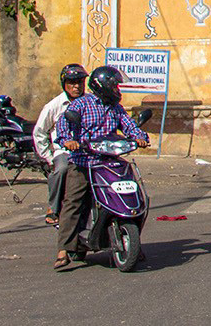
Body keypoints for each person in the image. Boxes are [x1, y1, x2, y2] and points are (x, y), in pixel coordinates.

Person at [52, 64, 149, 271]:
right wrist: (68, 140)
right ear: (103, 86)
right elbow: (63, 124)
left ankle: (132, 241)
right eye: (114, 86)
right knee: (74, 201)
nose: (117, 90)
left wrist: (140, 137)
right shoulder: (81, 105)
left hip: (109, 160)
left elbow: (129, 125)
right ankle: (63, 250)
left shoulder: (115, 108)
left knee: (136, 193)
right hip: (84, 161)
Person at [33, 63, 87, 226]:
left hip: (89, 150)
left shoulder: (91, 102)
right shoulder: (54, 106)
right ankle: (54, 207)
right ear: (64, 84)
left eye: (80, 82)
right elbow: (39, 132)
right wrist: (48, 157)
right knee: (61, 169)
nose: (76, 86)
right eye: (72, 82)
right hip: (64, 152)